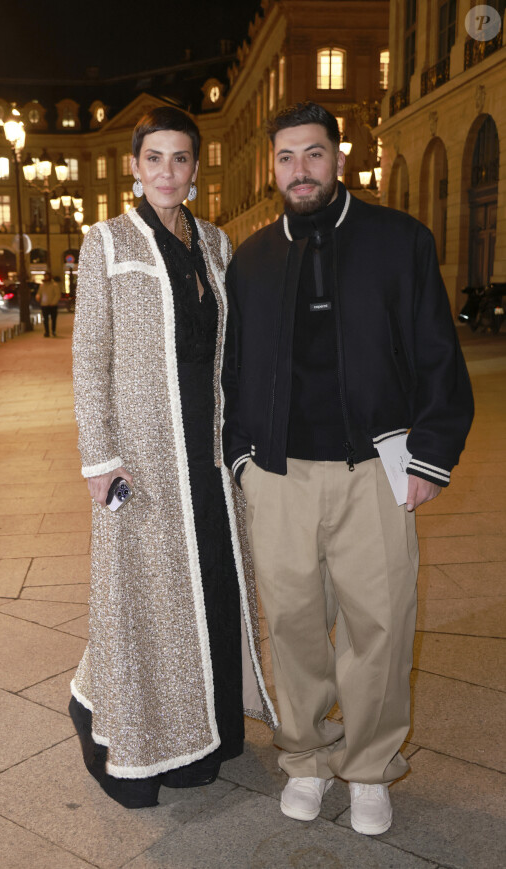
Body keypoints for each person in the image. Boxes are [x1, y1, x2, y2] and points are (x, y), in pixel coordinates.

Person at [222, 101, 474, 835]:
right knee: (295, 624)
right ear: (274, 169)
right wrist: (242, 458)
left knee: (380, 625)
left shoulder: (401, 241)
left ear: (340, 157)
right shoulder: (253, 259)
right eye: (286, 159)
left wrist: (428, 454)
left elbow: (437, 354)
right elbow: (234, 372)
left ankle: (369, 767)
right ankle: (305, 756)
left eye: (313, 154)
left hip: (375, 468)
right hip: (279, 474)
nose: (299, 170)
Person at [70, 106, 276, 810]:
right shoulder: (106, 243)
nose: (167, 171)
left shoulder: (216, 243)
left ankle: (206, 734)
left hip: (207, 449)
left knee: (210, 586)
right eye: (154, 158)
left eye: (180, 158)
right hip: (144, 454)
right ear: (134, 166)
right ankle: (142, 736)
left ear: (195, 167)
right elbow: (89, 359)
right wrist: (100, 459)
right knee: (146, 598)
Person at [36, 271, 61, 337]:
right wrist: (38, 296)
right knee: (45, 320)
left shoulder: (54, 285)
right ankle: (47, 332)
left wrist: (53, 303)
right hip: (44, 305)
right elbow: (39, 293)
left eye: (47, 276)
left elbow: (57, 295)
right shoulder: (42, 285)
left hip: (52, 305)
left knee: (53, 319)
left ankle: (53, 331)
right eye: (45, 276)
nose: (46, 278)